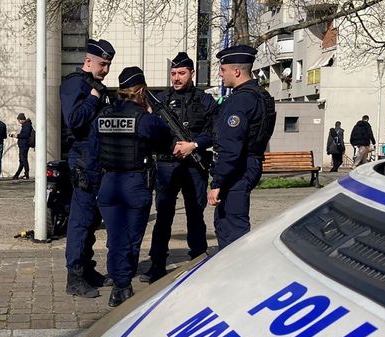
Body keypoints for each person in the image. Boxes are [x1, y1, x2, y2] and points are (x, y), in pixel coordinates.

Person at [96, 66, 174, 307]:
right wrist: (151, 113)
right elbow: (166, 140)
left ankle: (119, 282)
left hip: (108, 183)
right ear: (141, 91)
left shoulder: (103, 115)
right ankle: (122, 286)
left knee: (115, 237)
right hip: (134, 183)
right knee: (131, 238)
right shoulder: (144, 119)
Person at [141, 52, 217, 283]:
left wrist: (193, 145)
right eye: (173, 73)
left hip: (195, 165)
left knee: (195, 214)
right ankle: (157, 264)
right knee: (164, 214)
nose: (176, 78)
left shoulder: (205, 101)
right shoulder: (161, 100)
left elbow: (214, 132)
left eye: (181, 73)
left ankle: (198, 259)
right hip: (167, 164)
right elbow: (151, 132)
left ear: (192, 74)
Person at [206, 45, 276, 250]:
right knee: (230, 223)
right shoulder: (261, 96)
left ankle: (235, 276)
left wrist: (217, 182)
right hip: (250, 163)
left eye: (223, 69)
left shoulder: (239, 101)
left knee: (231, 228)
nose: (220, 74)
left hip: (237, 169)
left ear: (236, 71)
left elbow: (230, 147)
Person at [61, 38, 115, 298]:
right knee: (81, 222)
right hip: (83, 161)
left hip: (99, 162)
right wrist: (93, 99)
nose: (105, 70)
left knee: (93, 221)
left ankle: (88, 267)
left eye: (108, 65)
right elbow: (74, 121)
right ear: (88, 60)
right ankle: (75, 277)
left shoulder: (99, 88)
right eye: (102, 64)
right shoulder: (75, 84)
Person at [11, 113, 34, 179]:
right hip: (23, 145)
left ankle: (26, 174)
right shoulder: (26, 125)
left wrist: (17, 135)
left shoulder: (27, 125)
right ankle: (17, 174)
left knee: (23, 159)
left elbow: (26, 135)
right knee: (22, 160)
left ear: (21, 119)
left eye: (18, 120)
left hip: (24, 145)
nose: (18, 122)